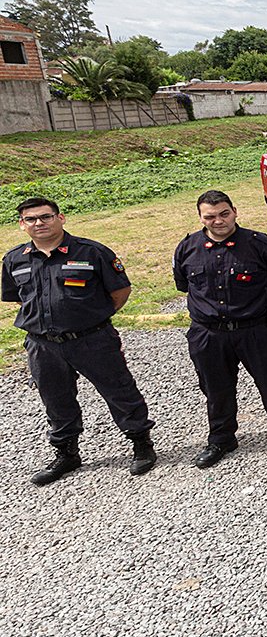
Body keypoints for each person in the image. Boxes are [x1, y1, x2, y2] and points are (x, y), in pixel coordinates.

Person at [4, 197, 156, 485]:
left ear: (61, 218)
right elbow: (18, 298)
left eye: (45, 217)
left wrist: (91, 319)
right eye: (31, 219)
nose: (39, 223)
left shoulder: (92, 252)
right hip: (42, 345)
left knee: (119, 392)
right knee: (56, 400)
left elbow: (120, 292)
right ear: (22, 224)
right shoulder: (15, 259)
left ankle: (141, 444)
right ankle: (67, 454)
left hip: (92, 339)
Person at [173, 189, 267, 467]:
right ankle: (221, 439)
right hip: (208, 333)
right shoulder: (187, 248)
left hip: (255, 329)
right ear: (200, 218)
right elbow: (184, 285)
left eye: (223, 214)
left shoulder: (261, 244)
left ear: (234, 212)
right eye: (210, 216)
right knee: (215, 388)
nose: (218, 221)